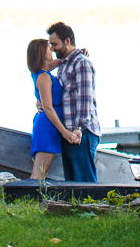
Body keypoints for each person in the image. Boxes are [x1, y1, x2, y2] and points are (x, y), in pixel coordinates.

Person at [47, 21, 101, 182]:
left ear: (67, 41)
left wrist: (79, 128)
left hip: (81, 132)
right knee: (72, 186)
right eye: (50, 45)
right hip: (69, 132)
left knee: (85, 184)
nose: (52, 48)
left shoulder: (81, 63)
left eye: (54, 44)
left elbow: (85, 98)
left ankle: (93, 208)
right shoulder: (64, 64)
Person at [26, 38, 79, 180]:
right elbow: (48, 109)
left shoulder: (43, 71)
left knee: (41, 172)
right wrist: (65, 132)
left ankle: (34, 200)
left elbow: (61, 61)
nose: (52, 50)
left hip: (49, 125)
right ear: (41, 53)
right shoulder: (43, 77)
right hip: (48, 126)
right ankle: (32, 201)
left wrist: (79, 53)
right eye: (49, 48)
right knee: (39, 173)